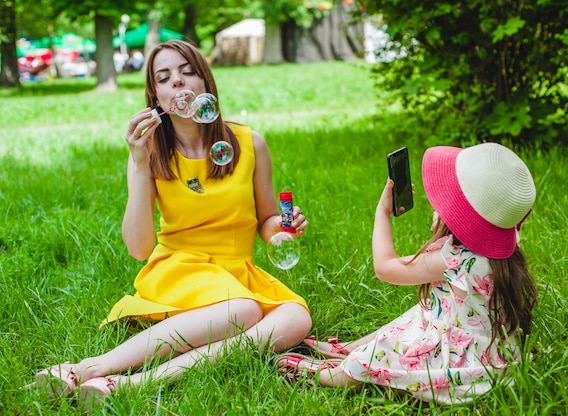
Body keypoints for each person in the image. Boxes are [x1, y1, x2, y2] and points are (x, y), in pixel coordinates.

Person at [32, 39, 312, 408]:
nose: (177, 83)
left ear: (205, 82)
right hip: (179, 268)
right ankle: (85, 368)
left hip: (234, 272)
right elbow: (138, 248)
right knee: (244, 310)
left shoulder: (249, 143)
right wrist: (138, 163)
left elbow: (266, 218)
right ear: (156, 97)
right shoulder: (152, 152)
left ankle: (133, 384)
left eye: (187, 71)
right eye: (164, 78)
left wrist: (281, 229)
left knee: (296, 319)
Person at [276, 143, 538, 404]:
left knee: (389, 348)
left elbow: (385, 267)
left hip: (459, 359)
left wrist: (382, 212)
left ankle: (335, 376)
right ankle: (351, 349)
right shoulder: (505, 246)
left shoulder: (455, 260)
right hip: (495, 345)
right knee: (420, 314)